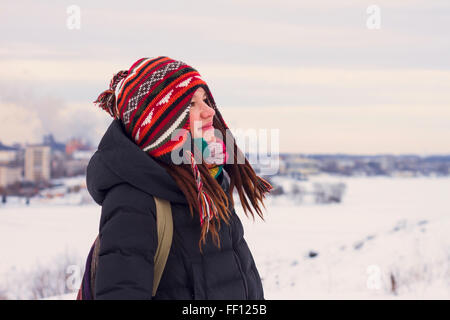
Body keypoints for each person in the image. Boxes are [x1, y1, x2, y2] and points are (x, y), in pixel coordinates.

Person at [87, 56, 273, 300]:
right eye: (191, 104)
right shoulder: (133, 201)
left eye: (206, 100)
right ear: (161, 125)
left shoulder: (209, 182)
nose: (209, 111)